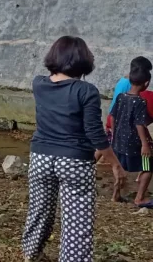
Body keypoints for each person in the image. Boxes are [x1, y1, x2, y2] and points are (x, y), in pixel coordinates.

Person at [21, 36, 125, 262]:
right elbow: (95, 133)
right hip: (74, 161)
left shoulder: (39, 83)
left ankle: (32, 254)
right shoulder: (86, 91)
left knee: (40, 210)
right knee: (77, 223)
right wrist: (115, 163)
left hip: (40, 157)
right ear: (82, 61)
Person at [110, 63, 153, 207]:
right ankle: (139, 198)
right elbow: (139, 124)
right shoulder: (140, 102)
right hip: (136, 143)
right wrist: (145, 144)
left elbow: (113, 117)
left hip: (119, 141)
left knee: (119, 167)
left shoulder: (121, 97)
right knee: (148, 166)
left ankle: (116, 195)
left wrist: (115, 135)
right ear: (146, 83)